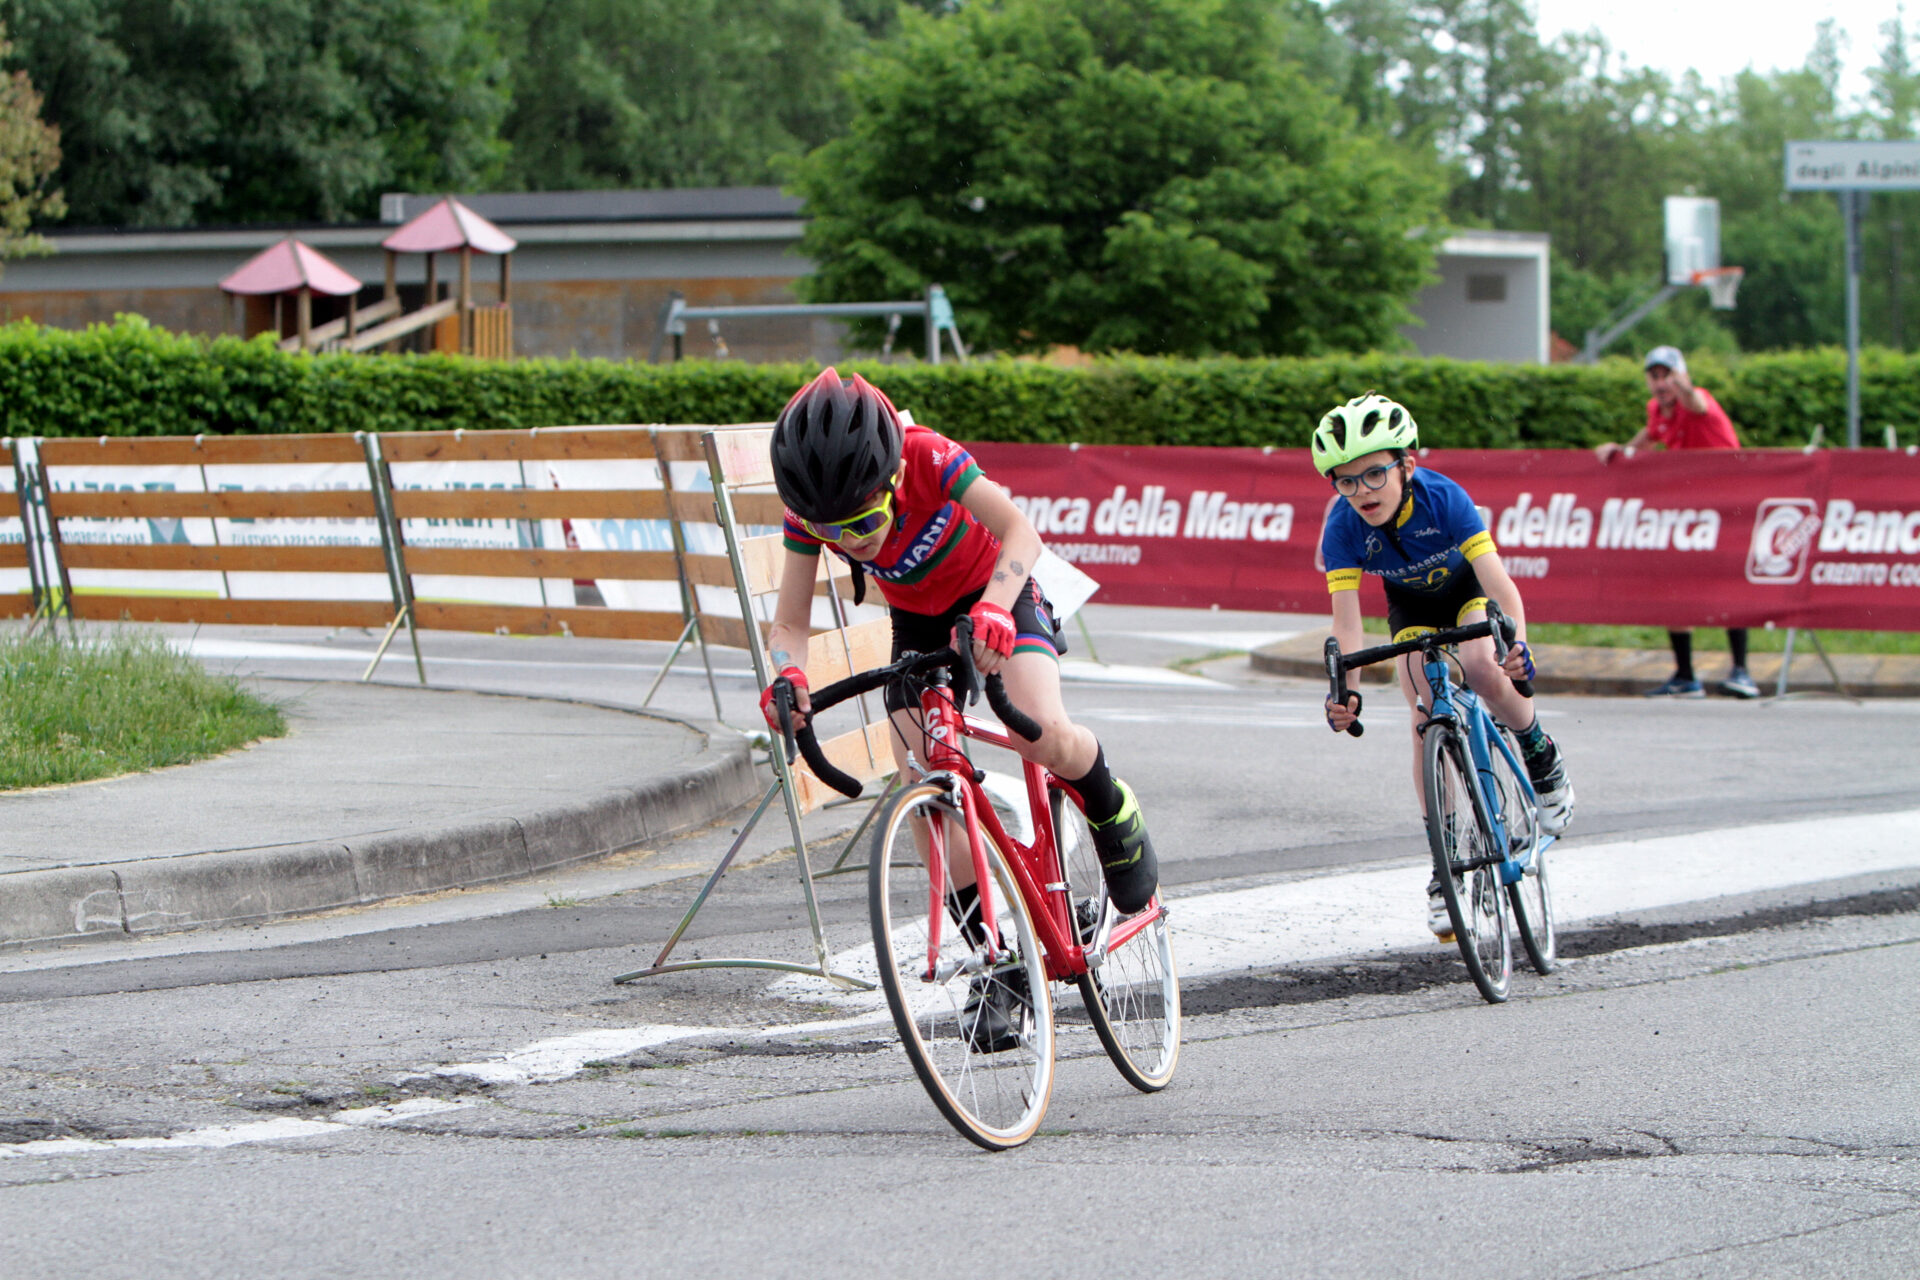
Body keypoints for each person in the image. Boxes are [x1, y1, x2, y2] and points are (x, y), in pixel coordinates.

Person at [758, 367, 1158, 1046]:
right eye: (834, 531)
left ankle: (1110, 803)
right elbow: (790, 622)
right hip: (919, 622)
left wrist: (995, 608)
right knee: (923, 779)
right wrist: (785, 673)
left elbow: (1021, 532)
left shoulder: (927, 455)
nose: (853, 543)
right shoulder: (810, 512)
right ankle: (997, 962)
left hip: (999, 592)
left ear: (892, 478)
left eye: (865, 521)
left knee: (1038, 731)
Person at [1315, 392, 1575, 942]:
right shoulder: (1341, 527)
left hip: (1467, 592)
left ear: (1406, 465)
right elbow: (1347, 624)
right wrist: (1348, 691)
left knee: (1481, 666)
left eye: (1375, 474)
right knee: (1421, 712)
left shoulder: (1444, 498)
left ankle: (1540, 754)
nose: (1362, 492)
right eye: (1346, 481)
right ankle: (1446, 862)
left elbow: (1500, 583)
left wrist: (1518, 648)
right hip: (1410, 607)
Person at [1594, 345, 1760, 699]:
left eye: (1667, 375)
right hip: (1690, 509)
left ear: (1681, 376)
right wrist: (1619, 451)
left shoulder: (1696, 399)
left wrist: (1683, 385)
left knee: (1727, 582)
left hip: (1726, 505)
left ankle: (1741, 671)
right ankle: (1685, 676)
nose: (1660, 383)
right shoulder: (1657, 409)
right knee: (1673, 580)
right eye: (1654, 376)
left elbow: (1695, 402)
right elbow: (1649, 437)